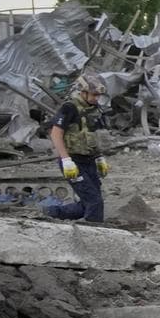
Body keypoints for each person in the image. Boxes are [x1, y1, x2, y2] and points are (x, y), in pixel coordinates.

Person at [41, 76, 109, 223]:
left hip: (89, 160)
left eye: (98, 95)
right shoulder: (69, 108)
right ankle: (93, 229)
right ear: (83, 92)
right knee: (95, 201)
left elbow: (95, 136)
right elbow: (55, 133)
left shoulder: (95, 110)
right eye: (94, 95)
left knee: (88, 203)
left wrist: (100, 158)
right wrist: (66, 159)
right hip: (73, 161)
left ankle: (51, 213)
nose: (97, 98)